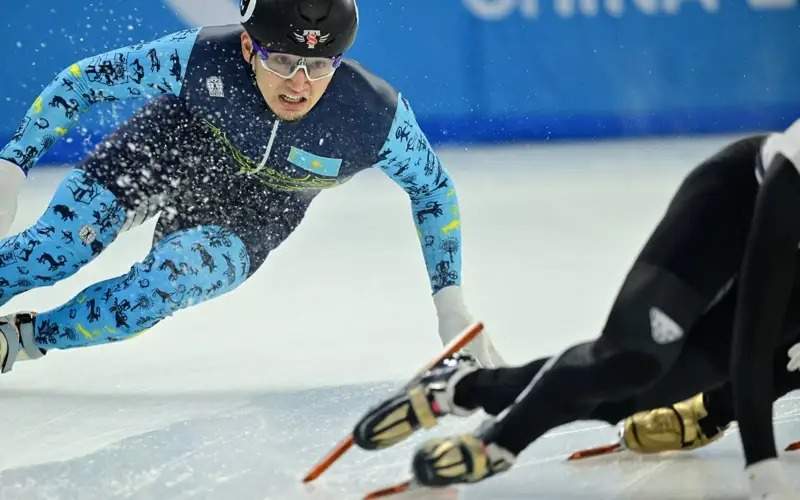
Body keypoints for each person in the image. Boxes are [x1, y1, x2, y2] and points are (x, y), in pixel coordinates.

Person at [0, 0, 505, 375]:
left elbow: (433, 190)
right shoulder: (200, 58)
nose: (299, 83)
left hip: (251, 215)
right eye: (282, 61)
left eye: (319, 66)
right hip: (167, 150)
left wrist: (450, 303)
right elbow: (85, 79)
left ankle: (18, 340)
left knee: (160, 288)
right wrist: (11, 166)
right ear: (248, 46)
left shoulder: (373, 115)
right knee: (54, 249)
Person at [354, 121, 800, 500]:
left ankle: (460, 387)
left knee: (630, 399)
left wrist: (717, 408)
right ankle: (497, 444)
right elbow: (755, 333)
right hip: (734, 208)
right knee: (630, 360)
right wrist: (763, 468)